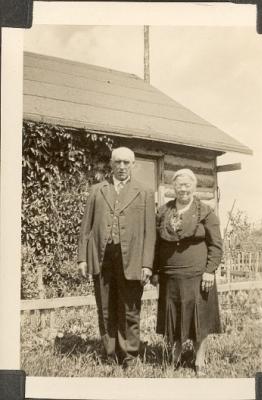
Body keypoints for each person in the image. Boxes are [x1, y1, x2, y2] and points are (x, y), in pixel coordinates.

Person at [78, 147, 156, 367]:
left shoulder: (145, 192)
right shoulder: (97, 190)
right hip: (102, 258)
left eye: (126, 163)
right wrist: (82, 258)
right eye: (118, 162)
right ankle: (110, 354)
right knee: (105, 308)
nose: (122, 167)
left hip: (132, 259)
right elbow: (86, 227)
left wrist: (147, 265)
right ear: (111, 164)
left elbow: (150, 232)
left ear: (133, 165)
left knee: (130, 309)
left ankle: (130, 355)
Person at [152, 168, 223, 376]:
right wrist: (155, 271)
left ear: (194, 186)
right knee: (173, 318)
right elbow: (156, 244)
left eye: (187, 184)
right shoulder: (163, 211)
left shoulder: (206, 211)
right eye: (179, 185)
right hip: (170, 276)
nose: (183, 189)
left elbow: (216, 245)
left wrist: (210, 270)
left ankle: (199, 359)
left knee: (199, 317)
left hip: (198, 276)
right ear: (173, 187)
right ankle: (175, 355)